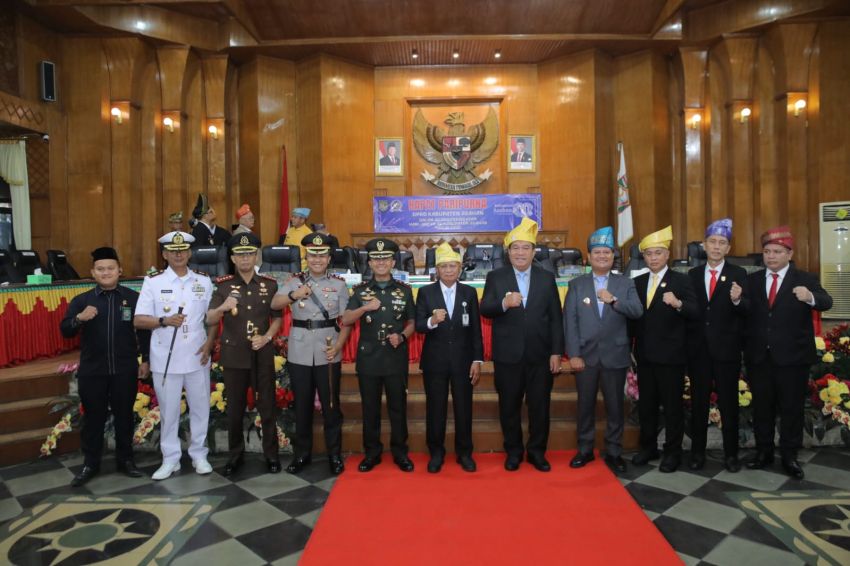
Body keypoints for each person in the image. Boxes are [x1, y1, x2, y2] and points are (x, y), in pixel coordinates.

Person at [743, 226, 832, 480]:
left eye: (777, 252)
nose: (771, 256)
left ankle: (790, 457)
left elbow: (827, 301)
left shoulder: (805, 279)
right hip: (760, 357)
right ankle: (764, 453)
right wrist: (739, 301)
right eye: (767, 251)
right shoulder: (753, 280)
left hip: (792, 359)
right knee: (762, 408)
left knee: (791, 409)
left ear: (789, 254)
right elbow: (747, 313)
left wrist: (810, 297)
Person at [60, 247, 151, 486]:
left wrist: (146, 360)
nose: (106, 272)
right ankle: (91, 463)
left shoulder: (133, 298)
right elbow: (65, 330)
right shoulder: (82, 301)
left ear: (119, 271)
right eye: (101, 269)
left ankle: (126, 460)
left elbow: (144, 333)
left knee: (124, 416)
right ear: (93, 272)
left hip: (125, 368)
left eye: (111, 268)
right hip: (93, 371)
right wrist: (80, 318)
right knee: (94, 418)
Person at [480, 217, 564, 472]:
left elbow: (555, 319)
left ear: (533, 251)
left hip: (540, 355)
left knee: (540, 407)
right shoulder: (496, 276)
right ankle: (513, 451)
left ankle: (537, 452)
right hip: (508, 356)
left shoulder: (547, 277)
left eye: (525, 248)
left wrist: (557, 352)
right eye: (515, 248)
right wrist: (505, 304)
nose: (520, 252)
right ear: (508, 252)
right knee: (509, 407)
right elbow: (485, 308)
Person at [134, 231, 216, 480]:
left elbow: (212, 318)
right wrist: (164, 320)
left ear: (190, 253)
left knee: (201, 408)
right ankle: (170, 459)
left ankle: (199, 455)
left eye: (183, 250)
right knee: (169, 410)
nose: (178, 254)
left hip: (197, 355)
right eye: (173, 250)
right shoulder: (153, 282)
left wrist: (210, 343)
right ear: (165, 254)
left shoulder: (203, 280)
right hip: (165, 357)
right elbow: (138, 320)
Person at [564, 227, 642, 473]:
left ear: (613, 257)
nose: (602, 256)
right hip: (585, 356)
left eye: (606, 253)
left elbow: (637, 312)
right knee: (585, 405)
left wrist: (614, 301)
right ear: (588, 256)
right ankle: (585, 449)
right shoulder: (577, 284)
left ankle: (614, 451)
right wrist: (573, 354)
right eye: (597, 252)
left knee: (615, 407)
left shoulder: (625, 283)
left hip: (614, 355)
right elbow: (570, 321)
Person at [272, 232, 352, 476]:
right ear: (307, 257)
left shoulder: (338, 285)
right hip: (300, 350)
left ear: (329, 259)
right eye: (313, 255)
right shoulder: (294, 282)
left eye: (323, 255)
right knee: (302, 406)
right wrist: (295, 295)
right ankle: (302, 454)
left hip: (328, 349)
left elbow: (346, 321)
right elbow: (275, 304)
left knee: (331, 406)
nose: (318, 259)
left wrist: (338, 346)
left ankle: (334, 455)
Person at [206, 232, 283, 476]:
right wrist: (223, 307)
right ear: (232, 257)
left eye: (249, 253)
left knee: (267, 406)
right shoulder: (223, 285)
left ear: (256, 255)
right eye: (240, 254)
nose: (245, 258)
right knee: (235, 409)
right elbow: (209, 318)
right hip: (234, 354)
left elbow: (277, 319)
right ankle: (235, 456)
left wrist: (267, 337)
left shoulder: (269, 284)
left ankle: (271, 455)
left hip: (262, 352)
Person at [342, 238, 416, 472]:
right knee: (370, 408)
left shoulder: (404, 290)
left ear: (393, 262)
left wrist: (402, 336)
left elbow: (413, 322)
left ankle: (400, 452)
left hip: (395, 357)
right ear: (370, 263)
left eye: (385, 258)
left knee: (398, 407)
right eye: (376, 259)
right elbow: (345, 319)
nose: (381, 262)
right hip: (369, 358)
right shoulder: (360, 291)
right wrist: (364, 308)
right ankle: (371, 453)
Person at [630, 226, 697, 473]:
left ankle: (672, 452)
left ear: (667, 254)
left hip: (671, 356)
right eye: (648, 254)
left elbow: (695, 311)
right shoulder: (637, 282)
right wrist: (629, 349)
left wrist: (678, 304)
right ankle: (648, 448)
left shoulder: (682, 280)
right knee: (646, 405)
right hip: (645, 355)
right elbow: (631, 319)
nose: (653, 258)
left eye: (658, 253)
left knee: (672, 407)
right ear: (644, 257)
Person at [415, 242, 484, 473]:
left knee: (464, 408)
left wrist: (477, 360)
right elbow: (418, 325)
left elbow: (476, 329)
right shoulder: (425, 292)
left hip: (464, 361)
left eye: (453, 266)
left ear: (460, 268)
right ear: (436, 270)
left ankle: (465, 453)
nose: (448, 270)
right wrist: (431, 321)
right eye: (444, 266)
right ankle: (436, 453)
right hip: (435, 361)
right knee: (436, 409)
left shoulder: (469, 292)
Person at [686, 219, 747, 472]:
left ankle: (731, 455)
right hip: (699, 351)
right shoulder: (692, 275)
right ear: (704, 245)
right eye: (712, 242)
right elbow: (690, 311)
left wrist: (737, 300)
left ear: (728, 248)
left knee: (729, 404)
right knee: (698, 404)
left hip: (727, 351)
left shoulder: (739, 274)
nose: (716, 247)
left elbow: (747, 311)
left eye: (722, 243)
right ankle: (697, 453)